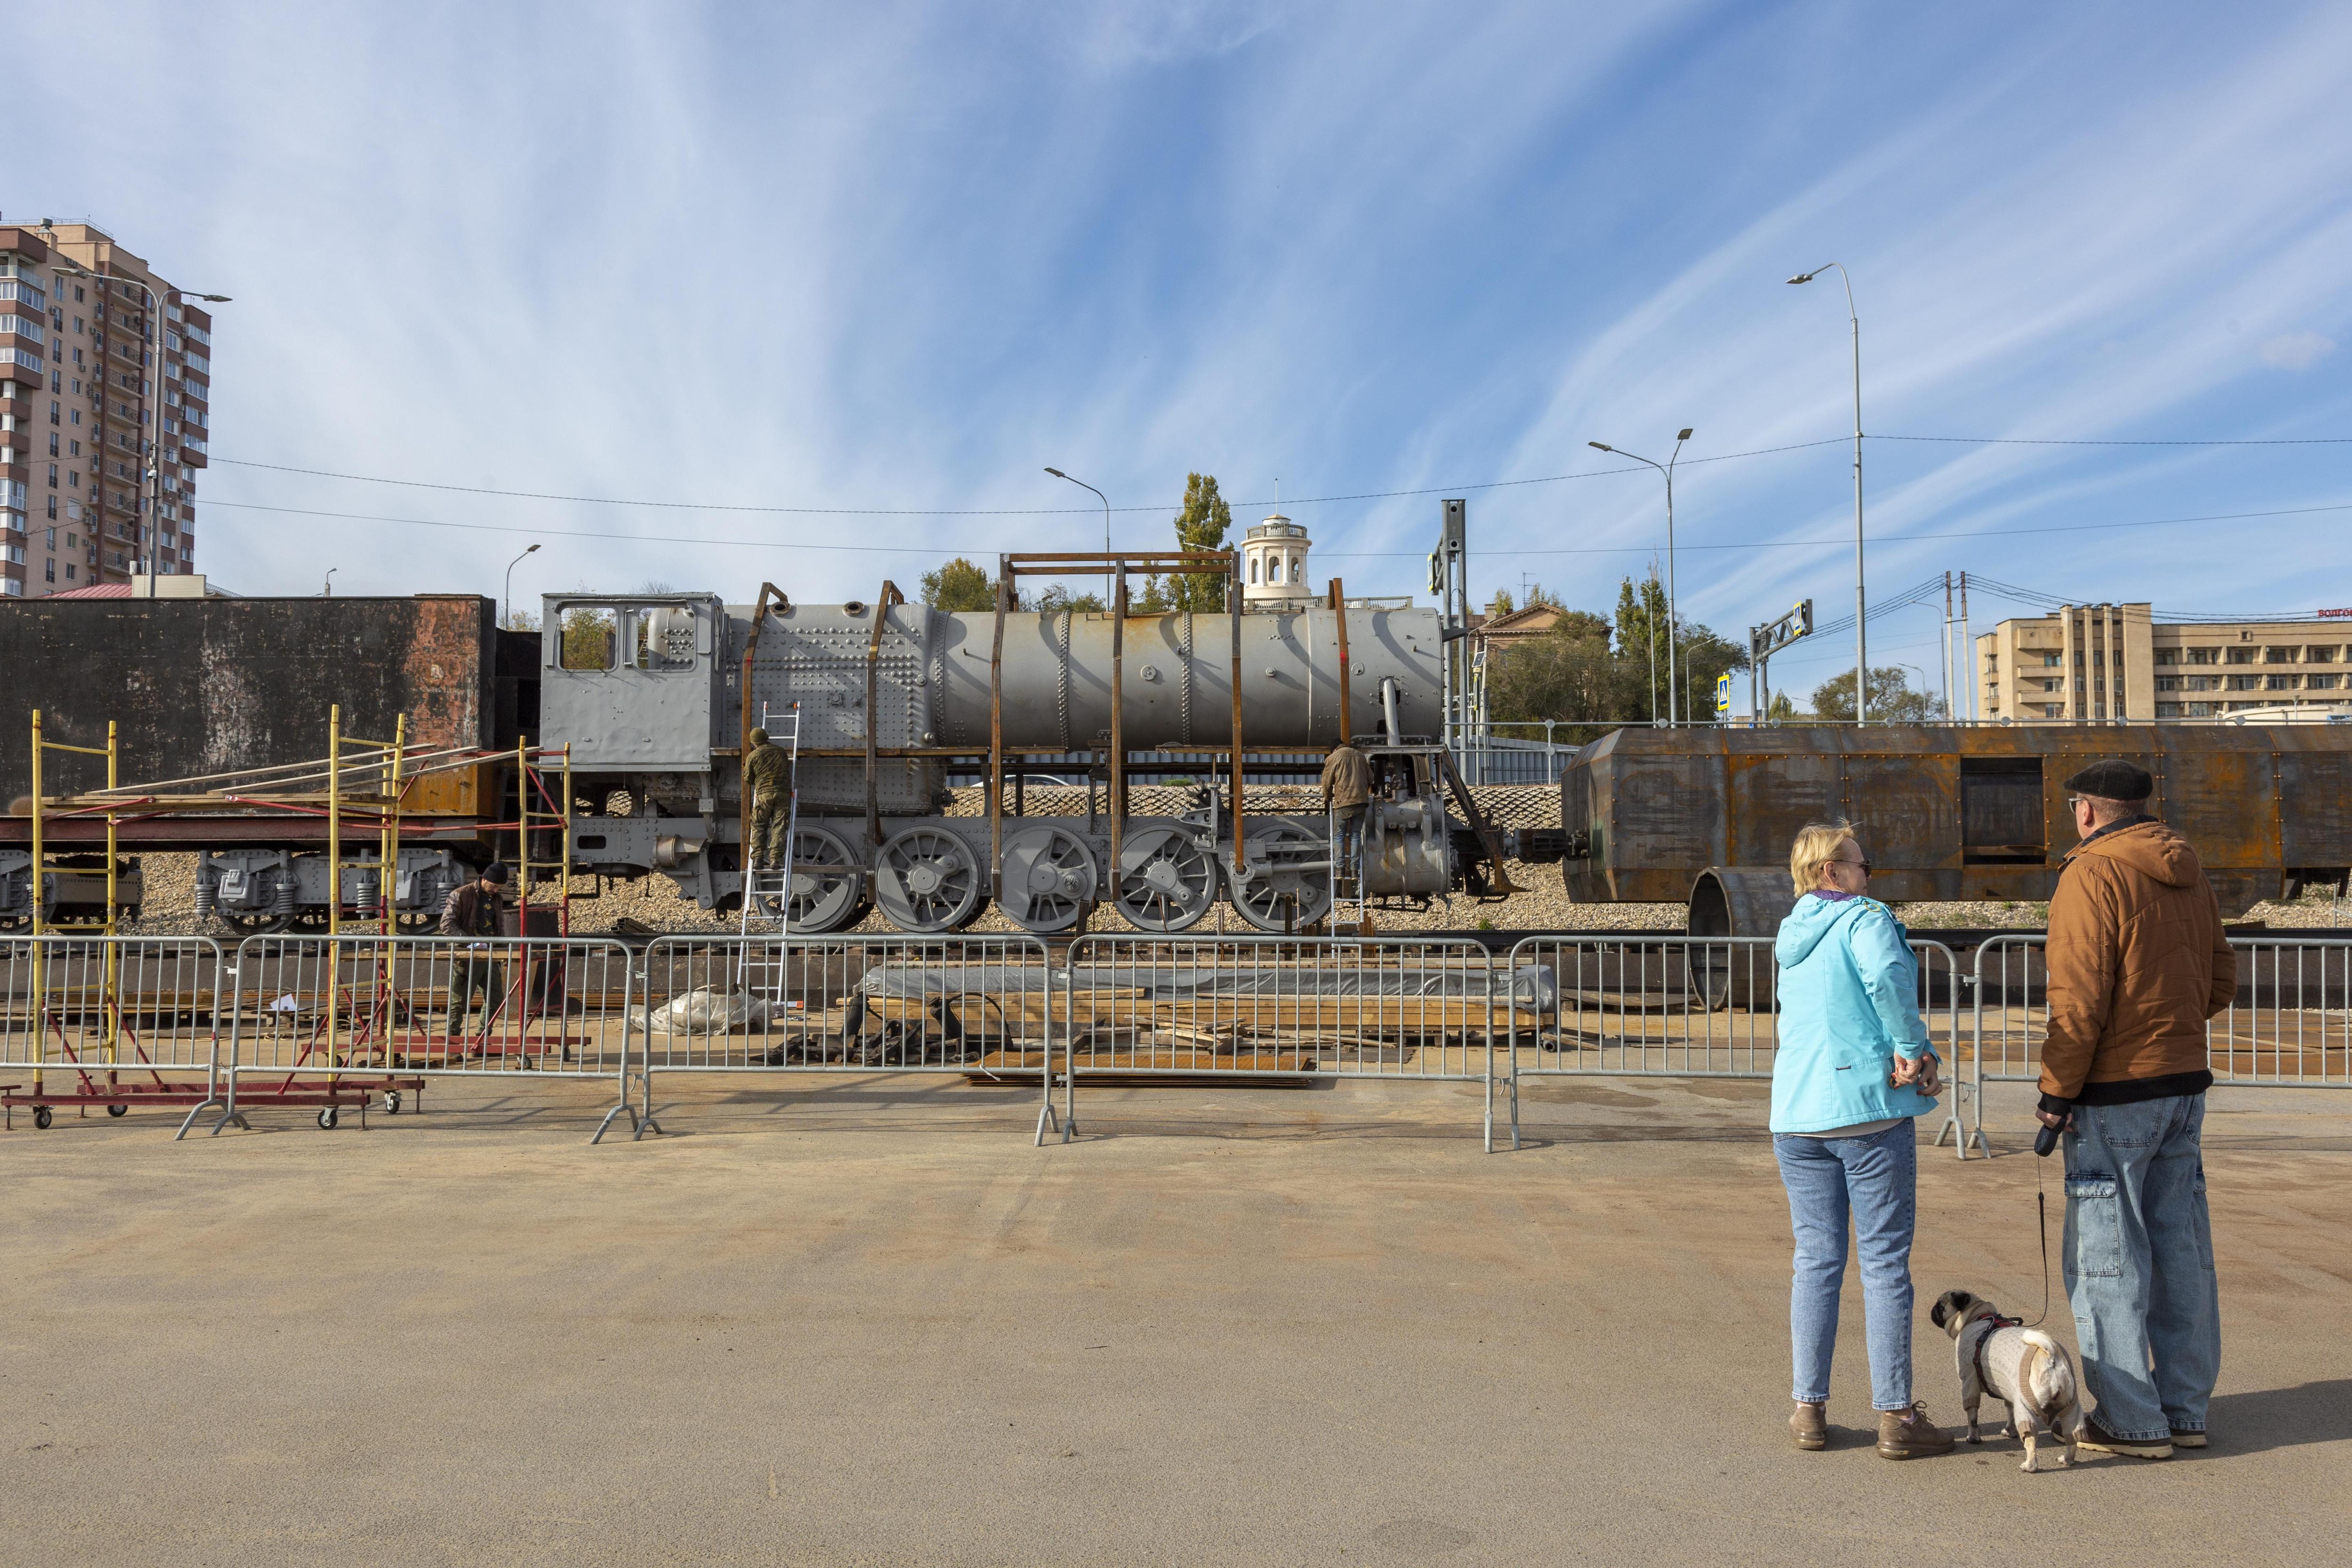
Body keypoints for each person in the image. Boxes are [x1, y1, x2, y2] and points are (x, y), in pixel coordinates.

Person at [2034, 760, 2236, 1460]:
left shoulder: (2091, 874)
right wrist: (2168, 1023)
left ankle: (2130, 1420)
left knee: (2107, 1261)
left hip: (2115, 1094)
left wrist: (2056, 1094)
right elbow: (2220, 981)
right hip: (2183, 1086)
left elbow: (2079, 1002)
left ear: (2086, 811)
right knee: (2182, 1252)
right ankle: (2184, 1410)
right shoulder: (2189, 867)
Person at [1770, 821, 1952, 1459]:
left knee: (1816, 1259)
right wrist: (1913, 1052)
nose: (1869, 872)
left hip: (1797, 1112)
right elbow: (1886, 981)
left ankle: (1808, 1409)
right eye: (1860, 863)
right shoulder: (1865, 919)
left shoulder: (1792, 932)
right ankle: (1897, 1415)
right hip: (1867, 1112)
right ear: (1831, 872)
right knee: (1882, 1264)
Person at [439, 862, 509, 1040]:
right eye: (493, 886)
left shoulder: (497, 898)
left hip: (489, 956)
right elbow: (447, 924)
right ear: (483, 879)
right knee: (459, 1001)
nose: (495, 890)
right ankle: (452, 1039)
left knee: (495, 1000)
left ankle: (482, 1037)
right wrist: (469, 942)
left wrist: (502, 951)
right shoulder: (462, 894)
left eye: (499, 887)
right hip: (467, 956)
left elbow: (498, 926)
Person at [744, 726, 794, 871]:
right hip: (783, 793)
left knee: (759, 825)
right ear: (767, 738)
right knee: (779, 826)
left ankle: (758, 858)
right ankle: (775, 860)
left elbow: (748, 779)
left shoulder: (753, 756)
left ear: (754, 742)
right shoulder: (781, 752)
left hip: (764, 795)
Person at [1319, 740, 1370, 878]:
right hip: (1361, 803)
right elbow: (1370, 778)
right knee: (1355, 835)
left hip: (1343, 803)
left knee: (1339, 836)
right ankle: (1355, 871)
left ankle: (1340, 869)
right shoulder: (1360, 756)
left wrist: (1328, 797)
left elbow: (1327, 782)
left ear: (1334, 750)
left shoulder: (1333, 758)